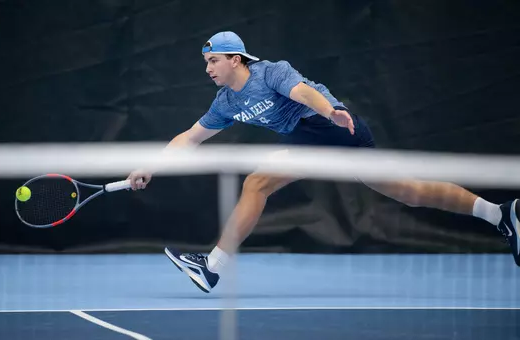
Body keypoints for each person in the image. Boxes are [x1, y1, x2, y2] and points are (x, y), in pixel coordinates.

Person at [127, 31, 519, 293]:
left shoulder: (271, 72)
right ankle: (499, 214)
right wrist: (152, 166)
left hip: (329, 129)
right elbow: (190, 138)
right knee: (409, 191)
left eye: (213, 60)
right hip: (315, 139)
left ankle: (212, 266)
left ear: (235, 59)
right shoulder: (226, 102)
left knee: (256, 183)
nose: (209, 69)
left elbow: (302, 92)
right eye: (206, 63)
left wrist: (331, 111)